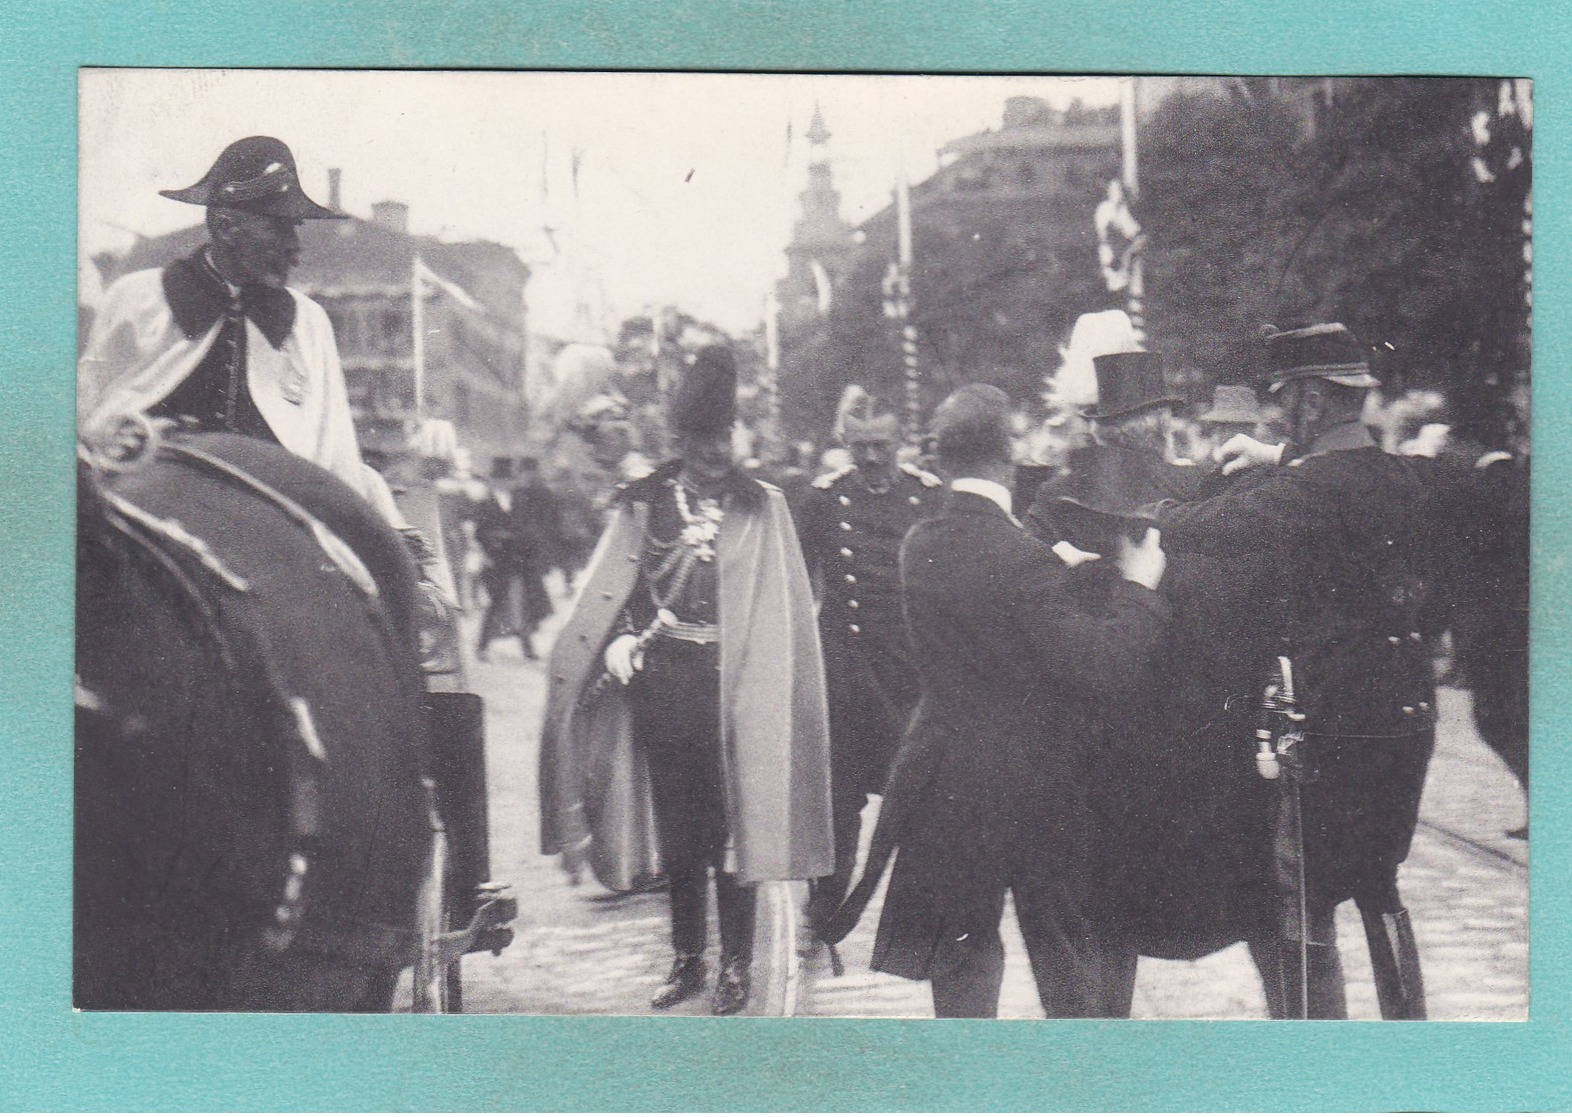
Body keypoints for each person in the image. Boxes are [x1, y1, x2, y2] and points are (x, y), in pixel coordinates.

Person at [826, 384, 1169, 1018]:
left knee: (965, 957)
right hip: (1040, 791)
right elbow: (1104, 667)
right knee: (1065, 958)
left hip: (952, 788)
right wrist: (1138, 587)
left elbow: (987, 594)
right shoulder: (1024, 562)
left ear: (940, 456)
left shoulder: (919, 545)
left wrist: (1053, 567)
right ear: (1009, 451)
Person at [538, 344, 833, 1016]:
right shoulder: (645, 503)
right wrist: (615, 641)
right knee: (681, 834)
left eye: (724, 435)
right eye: (702, 438)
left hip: (738, 683)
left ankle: (736, 962)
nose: (714, 451)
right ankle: (684, 958)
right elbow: (615, 588)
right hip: (666, 681)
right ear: (680, 439)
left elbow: (783, 610)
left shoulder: (764, 506)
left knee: (735, 828)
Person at [1160, 322, 1439, 1019]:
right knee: (1380, 890)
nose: (1277, 414)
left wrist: (1152, 511)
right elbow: (1334, 476)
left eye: (1284, 402)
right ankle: (1414, 1038)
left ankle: (1318, 1072)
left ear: (1312, 402)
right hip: (1404, 727)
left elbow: (1208, 527)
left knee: (1304, 903)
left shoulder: (1306, 491)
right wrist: (1279, 452)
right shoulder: (1398, 474)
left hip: (1330, 736)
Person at [78, 135, 401, 527]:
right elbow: (89, 411)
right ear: (227, 227)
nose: (294, 248)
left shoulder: (307, 322)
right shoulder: (138, 298)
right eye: (279, 229)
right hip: (150, 499)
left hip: (275, 512)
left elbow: (334, 452)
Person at [793, 387, 941, 933]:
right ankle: (828, 897)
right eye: (861, 447)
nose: (873, 458)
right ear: (846, 444)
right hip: (848, 674)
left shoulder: (929, 496)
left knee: (923, 794)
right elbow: (793, 583)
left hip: (914, 672)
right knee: (841, 798)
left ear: (900, 441)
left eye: (882, 445)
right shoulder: (824, 500)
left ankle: (922, 902)